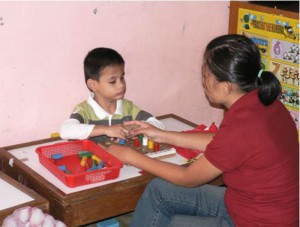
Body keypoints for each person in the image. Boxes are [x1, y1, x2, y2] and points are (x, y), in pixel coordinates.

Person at [106, 34, 299, 226]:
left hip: (258, 221)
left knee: (170, 223)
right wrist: (161, 134)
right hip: (246, 205)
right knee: (159, 191)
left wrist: (129, 156)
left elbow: (188, 178)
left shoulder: (242, 124)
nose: (203, 81)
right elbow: (222, 141)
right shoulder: (263, 101)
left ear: (226, 87)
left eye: (205, 75)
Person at [60, 47, 165, 144]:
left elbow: (159, 125)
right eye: (113, 81)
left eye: (122, 78)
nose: (121, 85)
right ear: (93, 85)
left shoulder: (128, 108)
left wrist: (135, 127)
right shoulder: (84, 110)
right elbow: (65, 130)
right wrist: (106, 130)